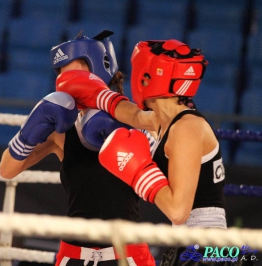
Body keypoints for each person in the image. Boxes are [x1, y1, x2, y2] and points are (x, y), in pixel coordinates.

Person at [56, 39, 258, 265]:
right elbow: (132, 115)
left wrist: (140, 172)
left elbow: (178, 210)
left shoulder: (186, 127)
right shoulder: (164, 120)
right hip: (188, 243)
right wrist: (97, 94)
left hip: (208, 247)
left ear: (146, 77)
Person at [0, 31, 156, 266]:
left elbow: (167, 168)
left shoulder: (134, 117)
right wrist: (27, 134)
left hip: (127, 256)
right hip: (74, 256)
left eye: (72, 71)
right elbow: (6, 170)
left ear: (99, 69)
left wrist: (134, 135)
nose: (65, 79)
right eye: (61, 73)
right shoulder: (60, 129)